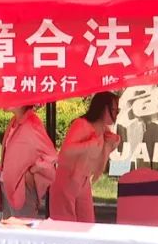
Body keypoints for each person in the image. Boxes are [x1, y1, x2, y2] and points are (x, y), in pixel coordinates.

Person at [50, 92, 121, 222]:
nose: (116, 113)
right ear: (103, 109)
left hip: (84, 181)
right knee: (65, 226)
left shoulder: (104, 130)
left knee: (87, 223)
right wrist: (89, 144)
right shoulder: (81, 124)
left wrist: (112, 144)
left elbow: (100, 157)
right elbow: (65, 152)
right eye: (113, 109)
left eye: (118, 110)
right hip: (67, 179)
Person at [0, 105, 57, 218]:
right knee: (8, 227)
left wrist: (32, 170)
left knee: (23, 226)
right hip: (7, 185)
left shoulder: (32, 123)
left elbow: (51, 155)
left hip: (22, 189)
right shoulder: (14, 121)